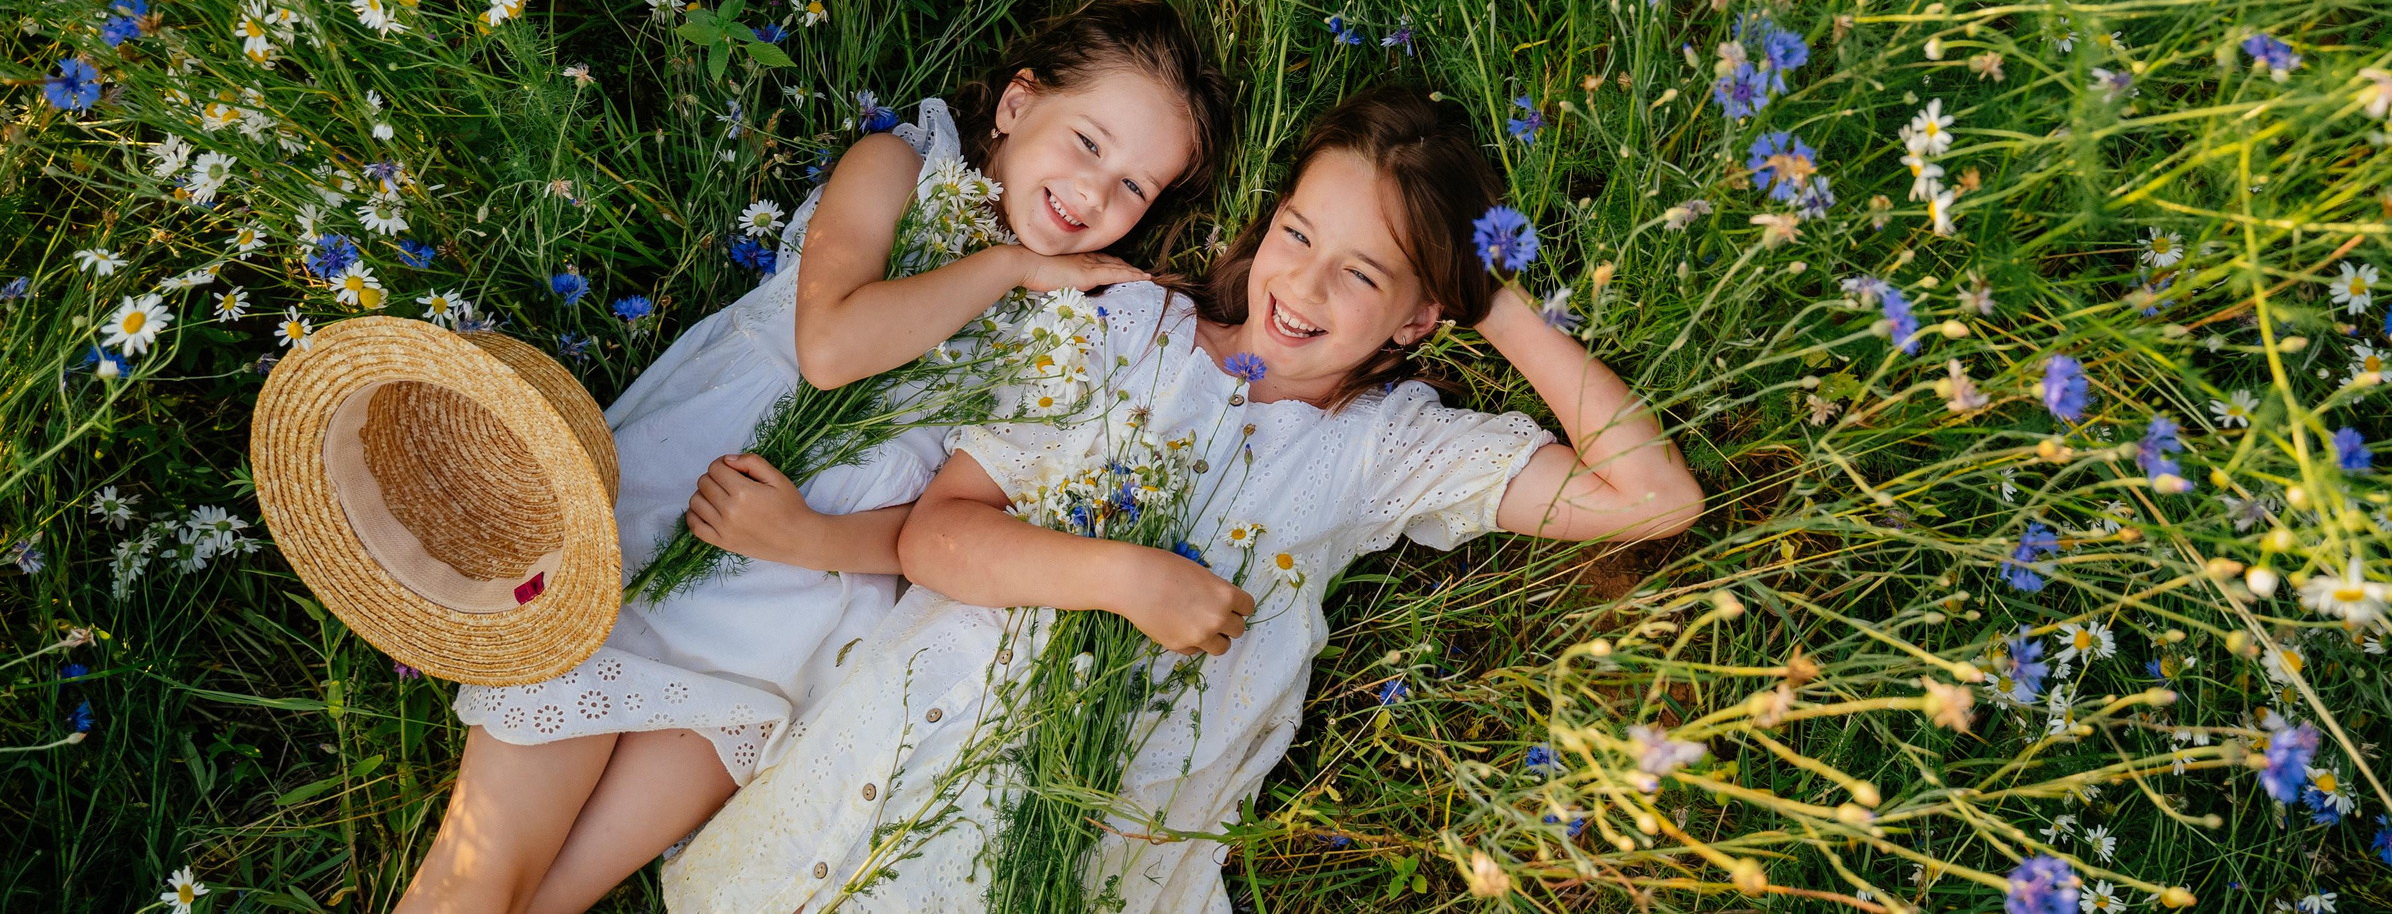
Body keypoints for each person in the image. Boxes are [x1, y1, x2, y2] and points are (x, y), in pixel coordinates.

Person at [660, 84, 1703, 914]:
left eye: (1361, 275)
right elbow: (937, 537)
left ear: (1418, 317)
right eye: (1297, 236)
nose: (1302, 288)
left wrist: (1491, 294)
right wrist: (1123, 576)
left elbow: (1650, 497)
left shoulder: (1390, 447)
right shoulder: (1123, 330)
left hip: (1090, 829)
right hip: (904, 750)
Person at [397, 0, 1234, 914]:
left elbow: (936, 532)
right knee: (482, 876)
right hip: (665, 516)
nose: (1095, 192)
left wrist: (804, 538)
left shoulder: (1060, 332)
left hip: (790, 615)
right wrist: (1004, 266)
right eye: (1089, 142)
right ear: (1016, 103)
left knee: (554, 897)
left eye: (1134, 187)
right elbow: (832, 350)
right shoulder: (897, 171)